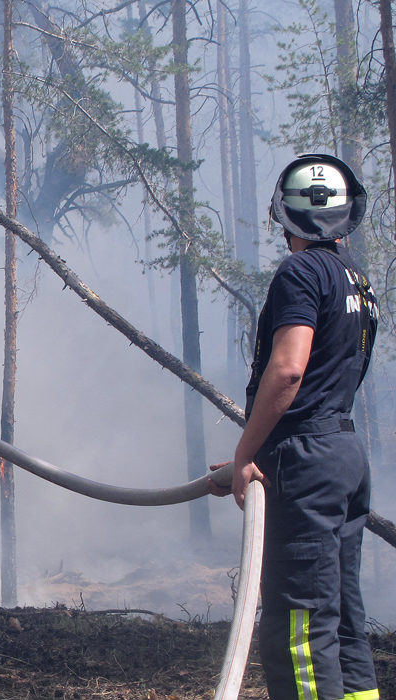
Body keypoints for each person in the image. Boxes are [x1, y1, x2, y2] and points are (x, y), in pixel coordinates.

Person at [209, 154, 379, 700]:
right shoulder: (356, 278)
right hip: (344, 455)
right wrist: (248, 457)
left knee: (301, 634)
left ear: (286, 217)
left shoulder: (299, 273)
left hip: (305, 465)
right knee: (344, 623)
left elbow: (288, 371)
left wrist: (246, 453)